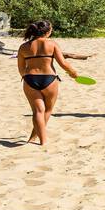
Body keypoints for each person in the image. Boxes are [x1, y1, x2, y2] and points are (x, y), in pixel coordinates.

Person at [16, 19, 80, 147]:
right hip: (49, 79)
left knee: (38, 111)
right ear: (48, 31)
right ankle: (41, 140)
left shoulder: (23, 47)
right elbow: (63, 63)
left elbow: (21, 69)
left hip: (30, 79)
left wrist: (27, 78)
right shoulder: (52, 44)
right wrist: (74, 73)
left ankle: (38, 140)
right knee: (47, 110)